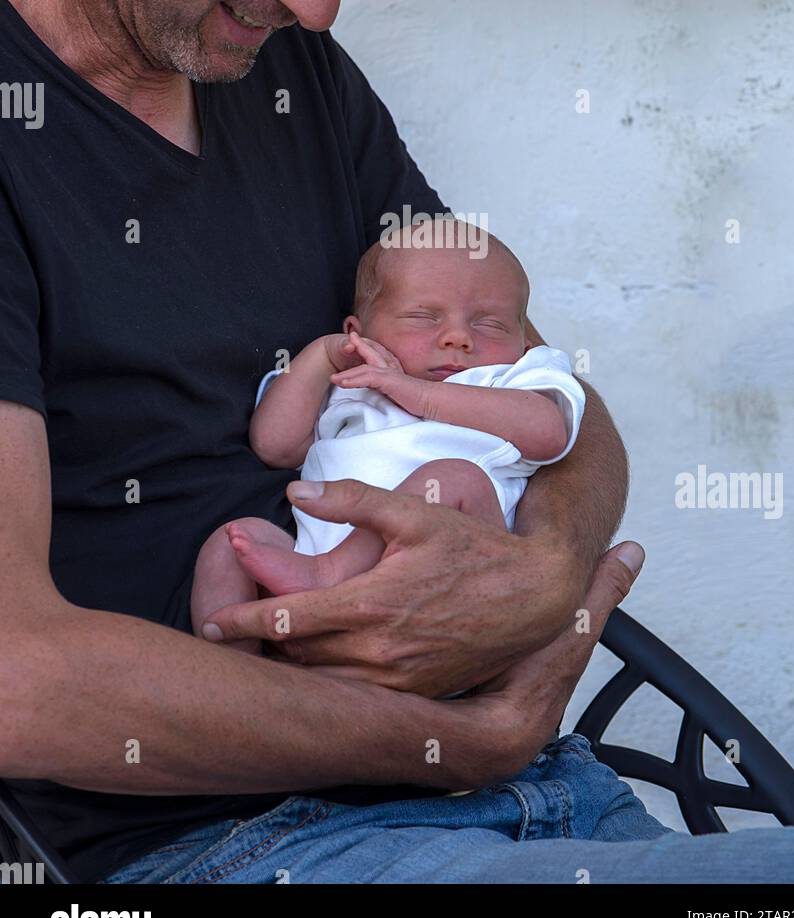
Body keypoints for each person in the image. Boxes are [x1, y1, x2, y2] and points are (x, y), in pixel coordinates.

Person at [1, 0, 794, 885]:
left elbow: (558, 405)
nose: (320, 2)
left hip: (535, 798)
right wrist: (446, 738)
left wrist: (546, 572)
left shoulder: (301, 91)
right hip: (239, 849)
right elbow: (21, 675)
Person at [190, 225, 586, 642]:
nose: (459, 337)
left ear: (524, 344)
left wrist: (421, 395)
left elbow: (549, 434)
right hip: (305, 565)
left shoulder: (514, 377)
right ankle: (237, 673)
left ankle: (329, 573)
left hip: (447, 577)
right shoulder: (351, 381)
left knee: (452, 478)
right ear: (359, 333)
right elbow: (275, 447)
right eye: (423, 317)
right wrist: (325, 355)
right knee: (230, 544)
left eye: (489, 325)